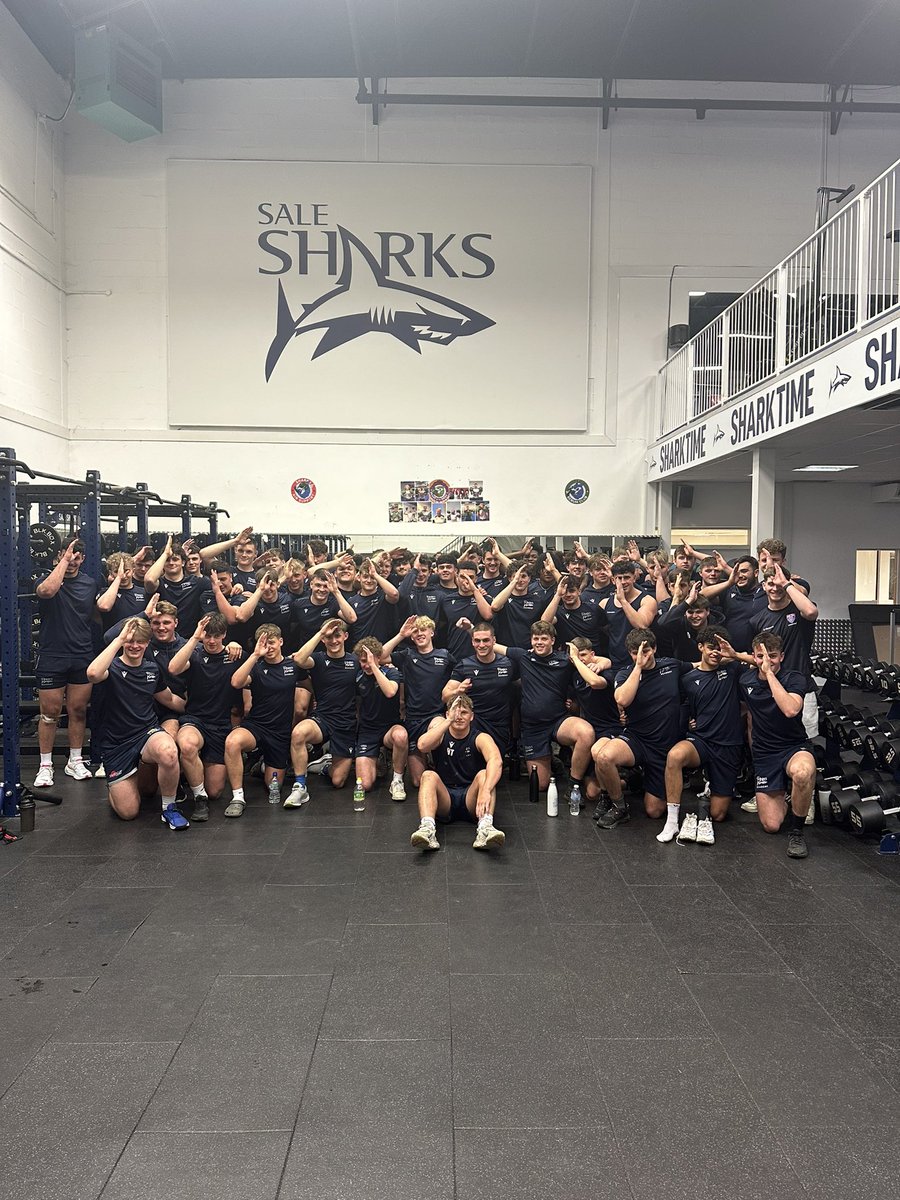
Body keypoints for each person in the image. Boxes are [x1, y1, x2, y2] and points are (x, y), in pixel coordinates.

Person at [85, 617, 186, 828]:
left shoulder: (152, 669)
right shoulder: (110, 667)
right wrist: (120, 637)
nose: (134, 646)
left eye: (140, 641)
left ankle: (169, 808)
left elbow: (168, 698)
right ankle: (118, 785)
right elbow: (93, 674)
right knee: (128, 812)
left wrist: (198, 710)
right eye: (130, 641)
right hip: (116, 743)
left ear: (147, 643)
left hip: (146, 733)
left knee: (168, 751)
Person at [660, 626, 744, 846]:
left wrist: (733, 654)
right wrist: (689, 722)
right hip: (702, 740)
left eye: (719, 648)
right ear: (700, 648)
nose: (715, 652)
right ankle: (671, 822)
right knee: (675, 756)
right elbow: (685, 708)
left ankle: (710, 789)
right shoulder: (689, 679)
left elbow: (758, 662)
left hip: (728, 745)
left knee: (718, 815)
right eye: (710, 648)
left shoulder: (734, 669)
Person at [593, 629, 685, 830]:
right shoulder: (625, 673)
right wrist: (638, 667)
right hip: (636, 739)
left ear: (655, 649)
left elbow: (699, 667)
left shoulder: (671, 665)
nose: (641, 656)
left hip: (663, 748)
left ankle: (636, 779)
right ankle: (619, 806)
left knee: (654, 811)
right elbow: (622, 699)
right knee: (604, 757)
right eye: (635, 652)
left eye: (646, 651)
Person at [495, 621, 595, 806]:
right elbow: (493, 646)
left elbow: (602, 660)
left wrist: (603, 663)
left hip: (558, 721)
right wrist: (470, 629)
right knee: (540, 785)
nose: (539, 642)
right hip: (533, 728)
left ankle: (573, 785)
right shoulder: (524, 656)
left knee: (586, 733)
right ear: (531, 640)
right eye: (535, 638)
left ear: (552, 640)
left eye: (543, 638)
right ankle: (553, 762)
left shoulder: (565, 660)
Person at [739, 631, 816, 859]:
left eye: (772, 655)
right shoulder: (746, 681)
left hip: (794, 747)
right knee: (771, 825)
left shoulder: (795, 678)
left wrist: (769, 676)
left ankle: (797, 832)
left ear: (781, 656)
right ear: (754, 657)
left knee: (802, 773)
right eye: (761, 656)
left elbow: (790, 709)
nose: (767, 661)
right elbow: (750, 717)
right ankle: (792, 795)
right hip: (765, 754)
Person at [33, 539, 99, 787]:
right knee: (49, 714)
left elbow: (96, 613)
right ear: (58, 556)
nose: (72, 561)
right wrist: (62, 561)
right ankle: (46, 765)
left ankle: (75, 760)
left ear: (83, 559)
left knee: (78, 711)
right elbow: (47, 592)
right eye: (67, 556)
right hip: (52, 655)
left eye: (77, 557)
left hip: (81, 654)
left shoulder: (90, 583)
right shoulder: (45, 579)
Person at [224, 624, 307, 816]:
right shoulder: (257, 667)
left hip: (280, 733)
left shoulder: (292, 666)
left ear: (281, 641)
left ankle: (262, 766)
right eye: (263, 643)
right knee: (232, 741)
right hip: (257, 726)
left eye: (271, 642)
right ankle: (237, 796)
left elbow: (309, 685)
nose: (268, 647)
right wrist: (254, 655)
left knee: (273, 787)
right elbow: (236, 682)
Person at [167, 613, 243, 820]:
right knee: (187, 744)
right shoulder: (195, 654)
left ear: (224, 635)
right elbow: (173, 668)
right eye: (207, 636)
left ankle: (195, 779)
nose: (211, 640)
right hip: (196, 719)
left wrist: (237, 645)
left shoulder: (233, 655)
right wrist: (194, 637)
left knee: (216, 792)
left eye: (216, 636)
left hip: (220, 725)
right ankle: (199, 799)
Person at [410, 694, 505, 852]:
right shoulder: (440, 735)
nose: (459, 717)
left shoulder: (480, 737)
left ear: (472, 717)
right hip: (445, 797)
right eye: (455, 712)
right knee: (428, 776)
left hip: (471, 798)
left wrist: (486, 790)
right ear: (447, 714)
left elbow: (496, 761)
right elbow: (422, 745)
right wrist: (448, 721)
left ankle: (485, 828)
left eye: (464, 713)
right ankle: (427, 830)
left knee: (484, 775)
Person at [286, 618, 359, 805]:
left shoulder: (355, 660)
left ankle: (325, 767)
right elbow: (299, 658)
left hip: (346, 723)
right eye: (328, 637)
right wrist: (320, 633)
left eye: (337, 636)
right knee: (298, 733)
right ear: (323, 640)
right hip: (323, 718)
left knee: (338, 781)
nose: (333, 641)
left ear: (345, 636)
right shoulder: (318, 659)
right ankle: (300, 787)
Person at [382, 615, 456, 787]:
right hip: (413, 720)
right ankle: (426, 760)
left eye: (423, 630)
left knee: (439, 727)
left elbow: (457, 677)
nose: (419, 634)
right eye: (415, 632)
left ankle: (436, 758)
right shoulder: (407, 655)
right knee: (418, 782)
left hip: (435, 715)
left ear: (432, 632)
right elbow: (381, 656)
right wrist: (401, 635)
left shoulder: (444, 656)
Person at [443, 621, 517, 755]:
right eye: (477, 641)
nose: (481, 645)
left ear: (494, 640)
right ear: (472, 642)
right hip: (473, 725)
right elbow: (445, 696)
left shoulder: (508, 664)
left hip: (499, 726)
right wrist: (457, 691)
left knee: (494, 766)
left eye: (486, 640)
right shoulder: (464, 665)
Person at [353, 636, 407, 799]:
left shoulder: (391, 672)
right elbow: (356, 703)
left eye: (368, 659)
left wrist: (374, 666)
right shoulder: (358, 677)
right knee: (365, 785)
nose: (365, 665)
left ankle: (397, 780)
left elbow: (390, 692)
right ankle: (378, 757)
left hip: (389, 728)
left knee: (401, 735)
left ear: (378, 658)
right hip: (368, 731)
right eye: (362, 661)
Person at [598, 561, 657, 670]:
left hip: (641, 661)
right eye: (619, 578)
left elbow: (642, 625)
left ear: (634, 578)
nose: (623, 582)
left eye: (627, 577)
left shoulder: (647, 600)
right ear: (613, 580)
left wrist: (623, 601)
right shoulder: (605, 603)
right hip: (615, 662)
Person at [541, 573, 608, 653]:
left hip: (593, 657)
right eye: (565, 592)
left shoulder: (593, 608)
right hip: (569, 658)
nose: (568, 595)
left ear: (579, 591)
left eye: (572, 591)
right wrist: (558, 595)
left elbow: (606, 629)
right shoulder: (558, 611)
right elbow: (544, 622)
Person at [347, 558, 401, 642]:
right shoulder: (351, 601)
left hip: (381, 649)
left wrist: (375, 574)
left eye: (372, 577)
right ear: (359, 577)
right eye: (365, 577)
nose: (369, 581)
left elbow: (394, 594)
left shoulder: (383, 596)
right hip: (358, 650)